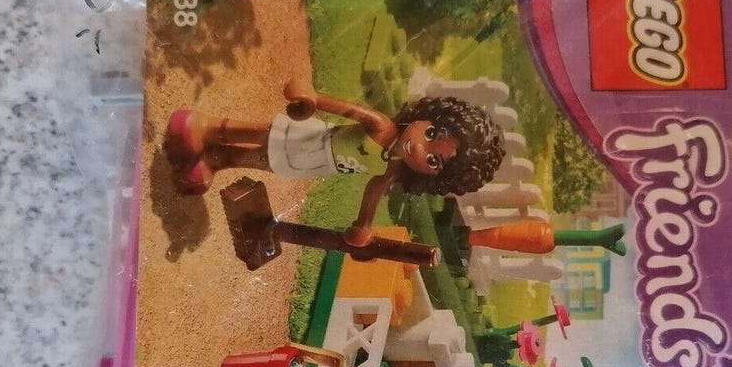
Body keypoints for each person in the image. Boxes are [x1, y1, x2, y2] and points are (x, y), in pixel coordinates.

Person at [164, 79, 506, 245]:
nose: (419, 147)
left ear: (433, 177)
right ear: (429, 115)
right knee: (264, 135)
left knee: (263, 160)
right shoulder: (383, 128)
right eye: (431, 133)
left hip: (313, 163)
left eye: (433, 160)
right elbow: (350, 110)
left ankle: (217, 160)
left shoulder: (390, 170)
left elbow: (373, 192)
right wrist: (313, 99)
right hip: (313, 139)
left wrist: (363, 224)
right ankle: (209, 128)